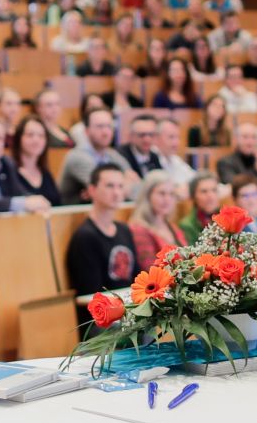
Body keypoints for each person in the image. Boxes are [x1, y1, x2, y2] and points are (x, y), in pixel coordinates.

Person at [66, 165, 138, 295]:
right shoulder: (85, 237)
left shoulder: (124, 230)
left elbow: (136, 278)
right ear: (92, 190)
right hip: (105, 306)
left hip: (130, 302)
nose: (116, 193)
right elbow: (90, 292)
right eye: (110, 186)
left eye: (120, 186)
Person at [59, 108, 138, 204]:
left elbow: (138, 188)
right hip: (73, 212)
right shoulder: (77, 156)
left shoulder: (113, 155)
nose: (105, 132)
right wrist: (126, 183)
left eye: (109, 126)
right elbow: (103, 192)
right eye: (100, 126)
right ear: (86, 131)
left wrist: (122, 187)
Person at [129, 171, 186, 268]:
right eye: (161, 193)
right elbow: (149, 268)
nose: (167, 199)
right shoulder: (138, 229)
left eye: (171, 194)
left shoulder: (171, 226)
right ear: (148, 196)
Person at [8, 115, 63, 206]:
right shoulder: (10, 172)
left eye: (41, 136)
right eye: (30, 135)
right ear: (19, 138)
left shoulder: (45, 173)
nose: (36, 140)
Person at [178, 173, 224, 245]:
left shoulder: (228, 218)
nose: (210, 196)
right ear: (194, 196)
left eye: (214, 190)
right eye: (204, 191)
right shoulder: (187, 225)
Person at [154, 117, 196, 188]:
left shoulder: (175, 159)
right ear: (156, 138)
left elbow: (194, 179)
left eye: (178, 137)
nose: (176, 143)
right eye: (171, 137)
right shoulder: (150, 159)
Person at [119, 111, 164, 177]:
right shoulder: (120, 156)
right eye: (142, 135)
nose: (147, 139)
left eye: (151, 135)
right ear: (131, 136)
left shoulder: (154, 156)